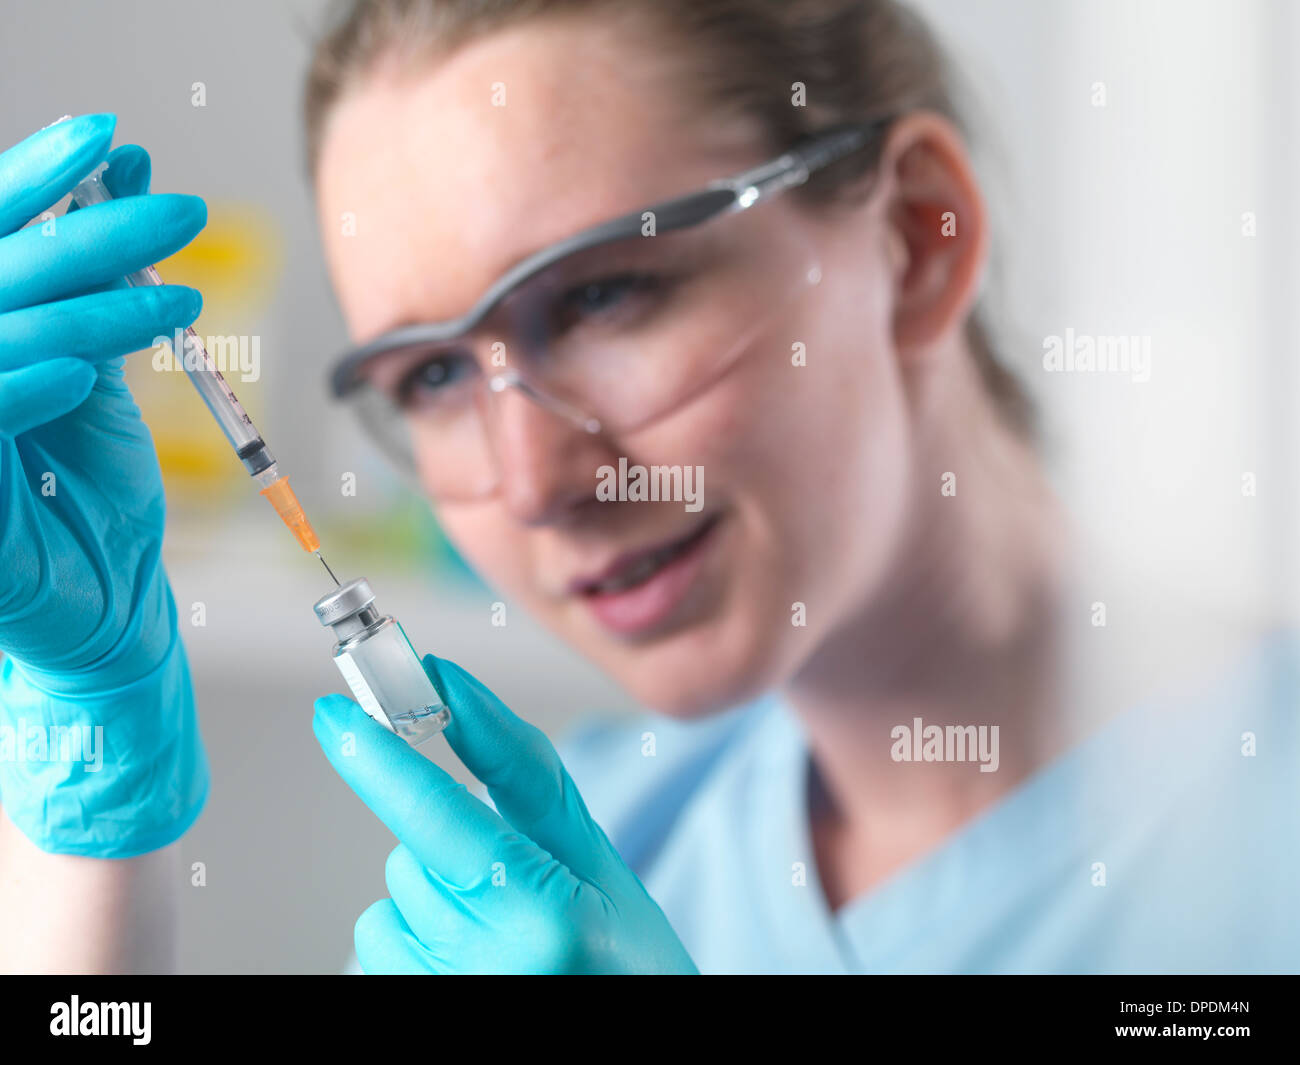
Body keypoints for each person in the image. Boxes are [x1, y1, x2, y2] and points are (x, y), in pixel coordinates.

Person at [0, 0, 1295, 975]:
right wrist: (95, 829)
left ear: (915, 237)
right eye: (433, 376)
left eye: (607, 294)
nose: (533, 480)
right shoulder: (602, 842)